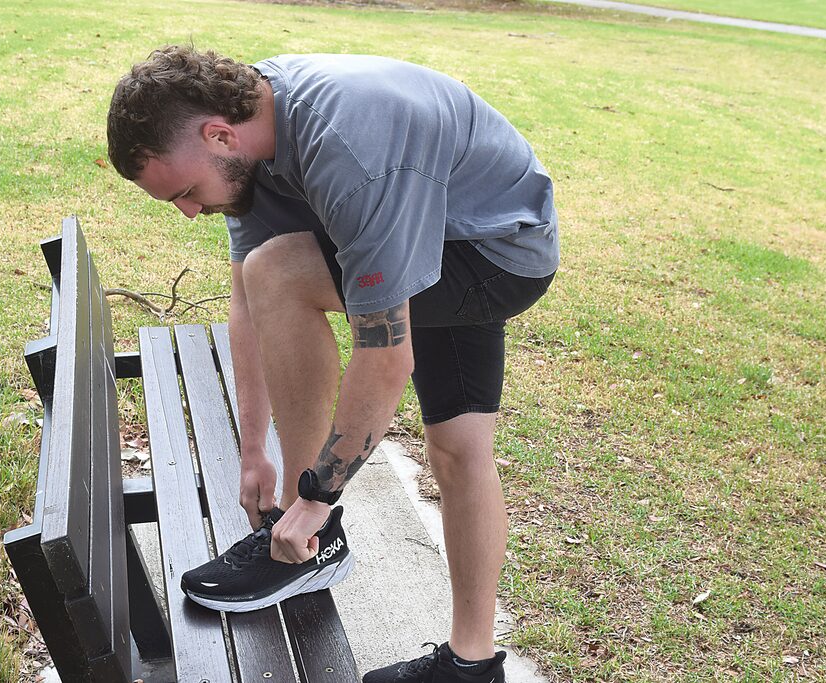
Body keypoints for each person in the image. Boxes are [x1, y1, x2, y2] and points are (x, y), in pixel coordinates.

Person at [107, 45, 558, 683]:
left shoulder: (347, 148)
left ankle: (311, 539)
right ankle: (471, 666)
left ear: (218, 135)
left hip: (494, 251)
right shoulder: (252, 137)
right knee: (459, 447)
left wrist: (316, 498)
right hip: (439, 226)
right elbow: (247, 302)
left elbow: (385, 354)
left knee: (282, 271)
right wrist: (252, 450)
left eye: (184, 192)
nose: (187, 211)